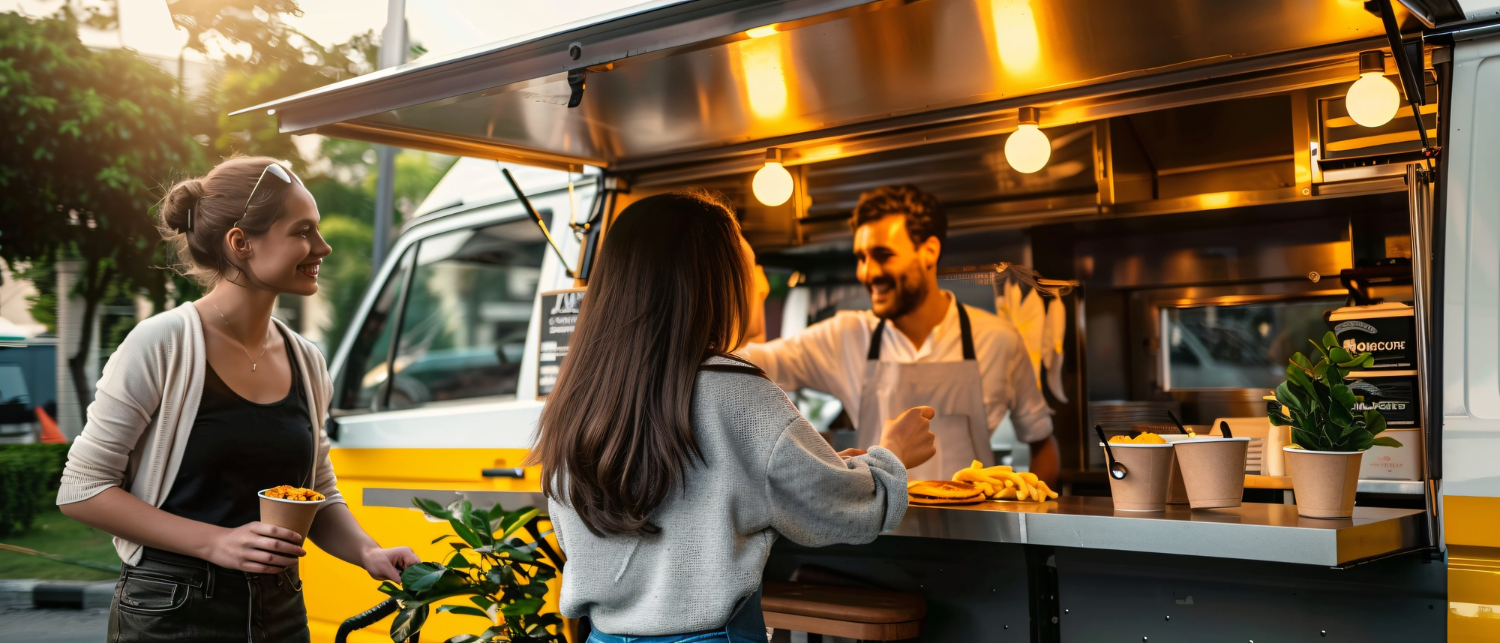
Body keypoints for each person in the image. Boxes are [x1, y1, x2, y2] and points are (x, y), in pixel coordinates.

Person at [530, 190, 936, 643]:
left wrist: (794, 470)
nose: (758, 284)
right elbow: (844, 510)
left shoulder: (578, 396)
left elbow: (590, 531)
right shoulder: (738, 391)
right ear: (709, 281)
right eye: (744, 266)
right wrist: (891, 455)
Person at [57, 156, 418, 642]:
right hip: (171, 612)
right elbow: (82, 490)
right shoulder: (160, 344)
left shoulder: (306, 360)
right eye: (303, 231)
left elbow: (318, 491)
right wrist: (217, 543)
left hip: (281, 611)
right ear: (240, 243)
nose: (322, 247)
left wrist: (368, 553)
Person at [740, 184, 1060, 484]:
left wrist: (1028, 528)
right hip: (878, 535)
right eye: (861, 258)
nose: (867, 272)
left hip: (976, 535)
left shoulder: (998, 340)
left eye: (883, 255)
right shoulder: (846, 336)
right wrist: (746, 287)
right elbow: (745, 362)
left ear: (929, 251)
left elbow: (1042, 444)